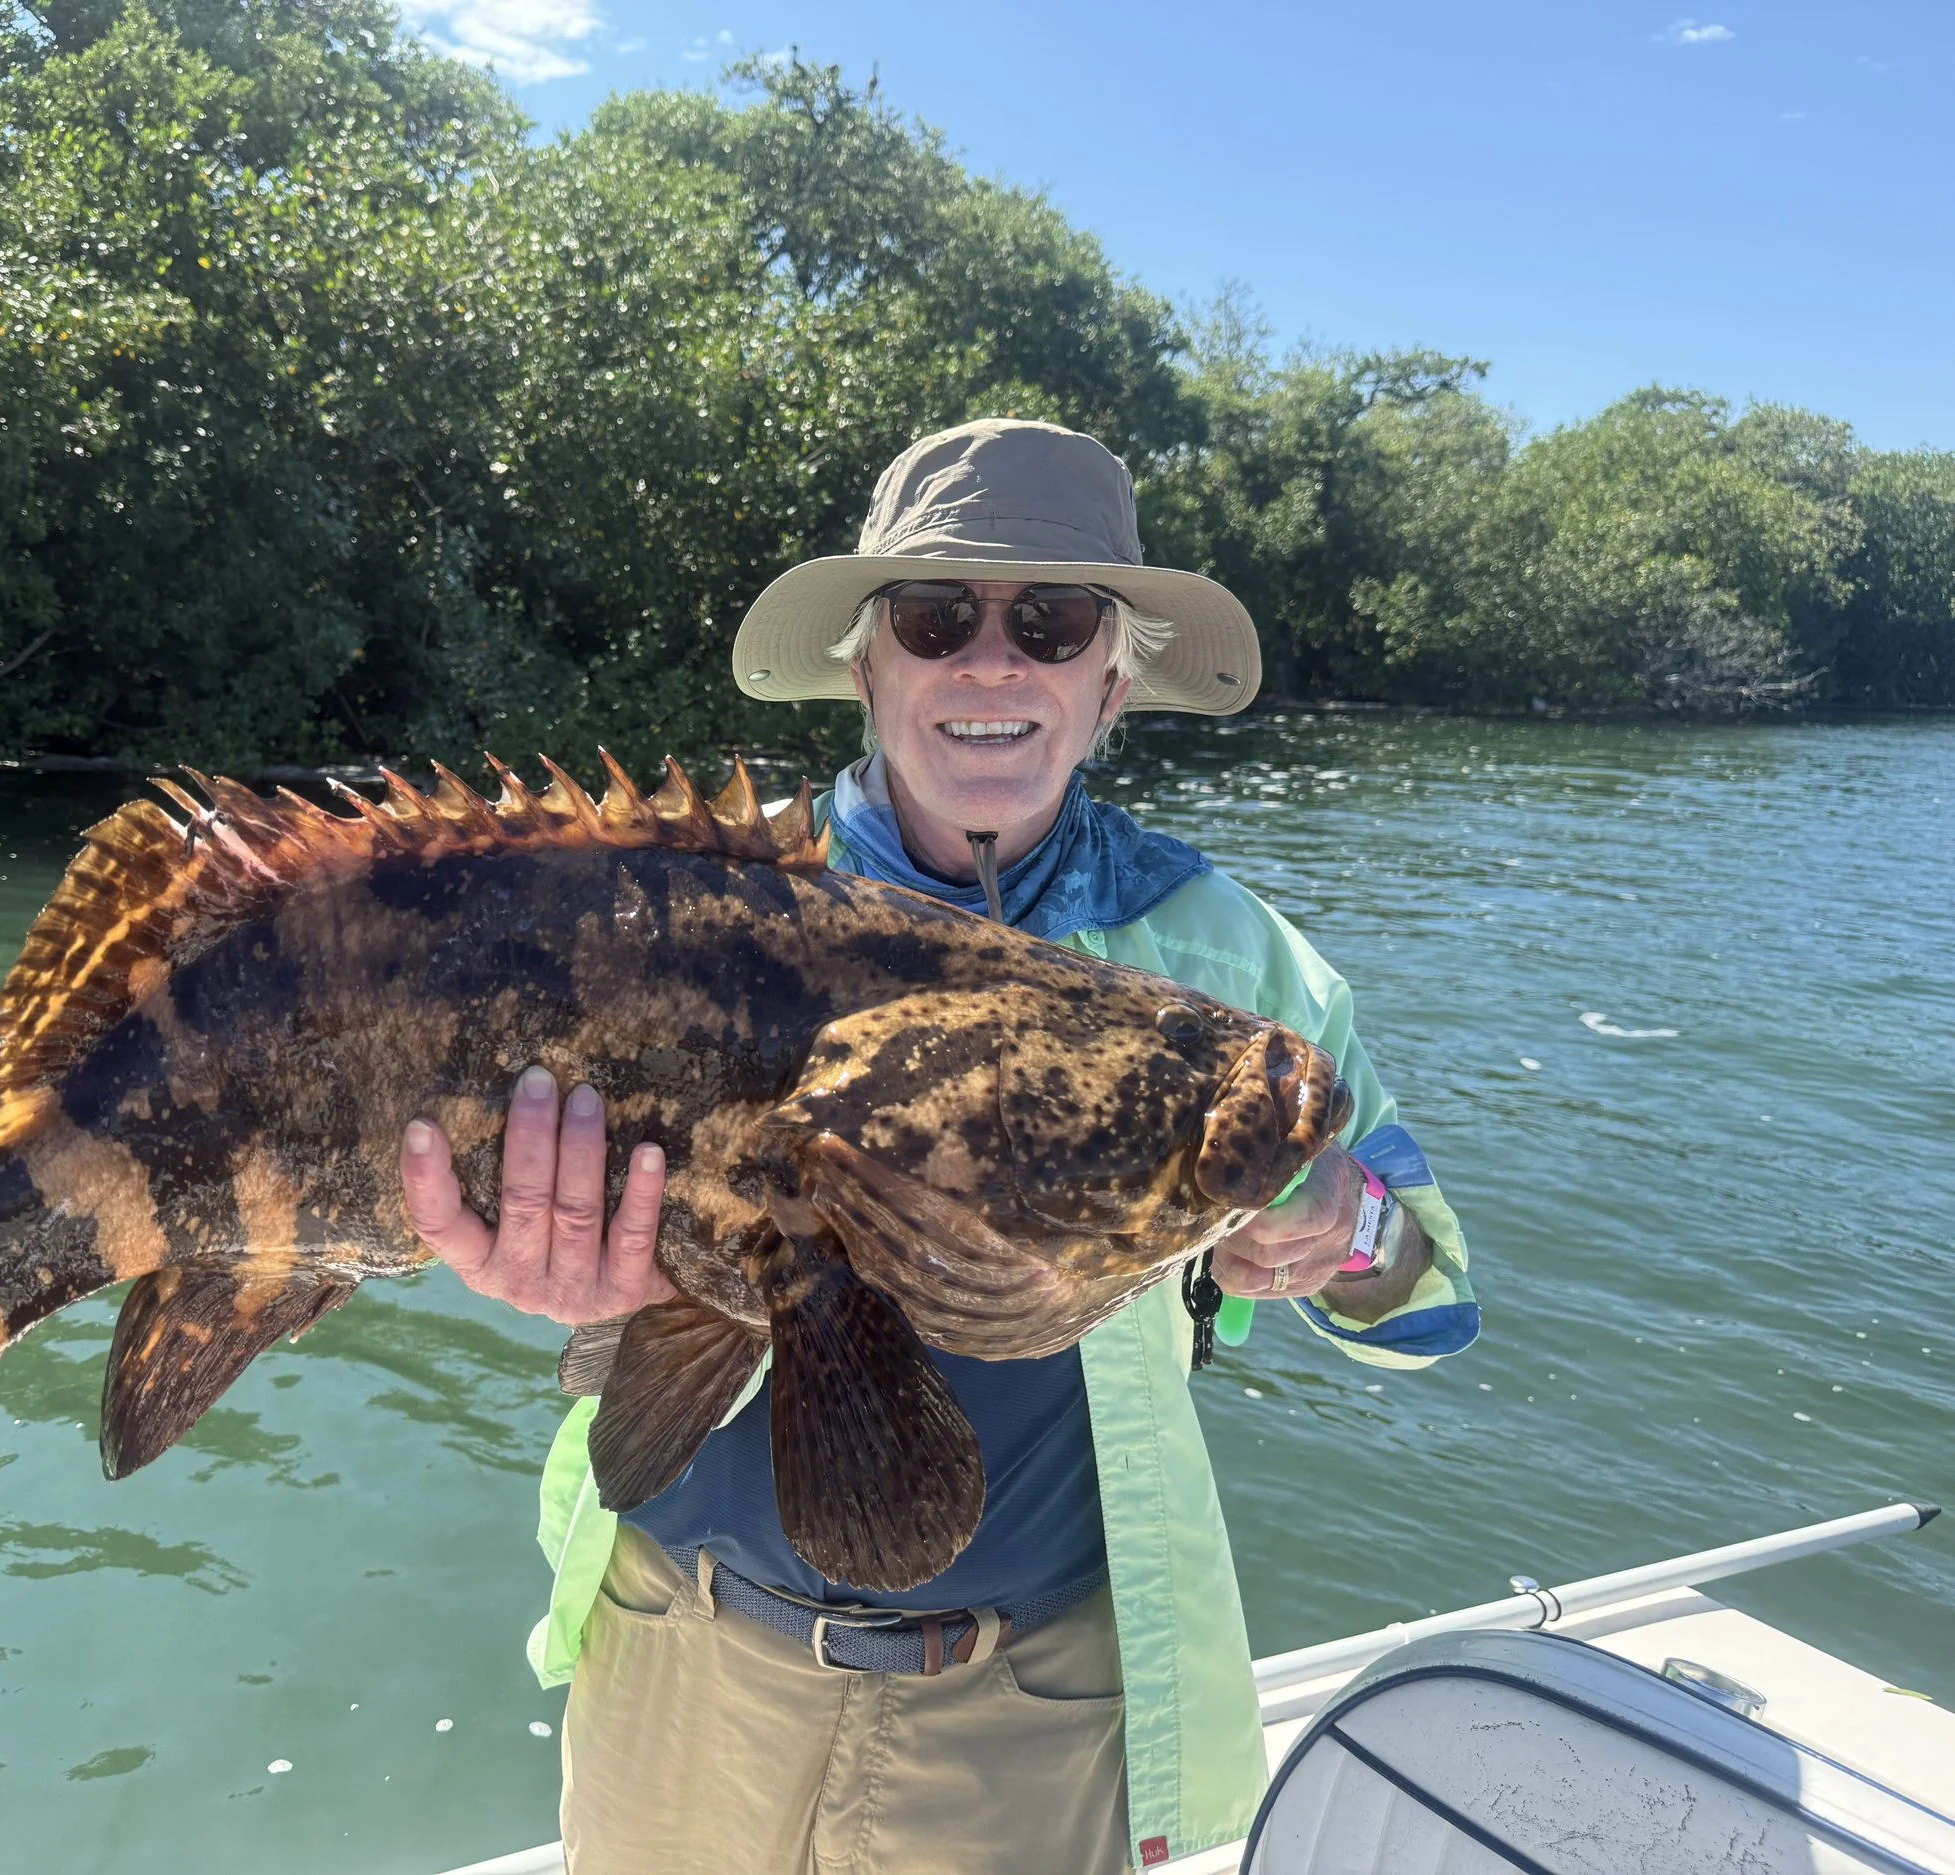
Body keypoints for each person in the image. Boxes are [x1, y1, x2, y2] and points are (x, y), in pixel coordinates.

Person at [399, 419, 1478, 1873]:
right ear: (868, 667)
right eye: (932, 618)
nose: (991, 663)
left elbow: (1434, 1308)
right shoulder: (685, 912)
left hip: (1029, 1706)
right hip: (680, 1647)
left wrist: (1347, 1228)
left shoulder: (1232, 965)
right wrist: (573, 1279)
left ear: (1112, 680)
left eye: (1050, 621)